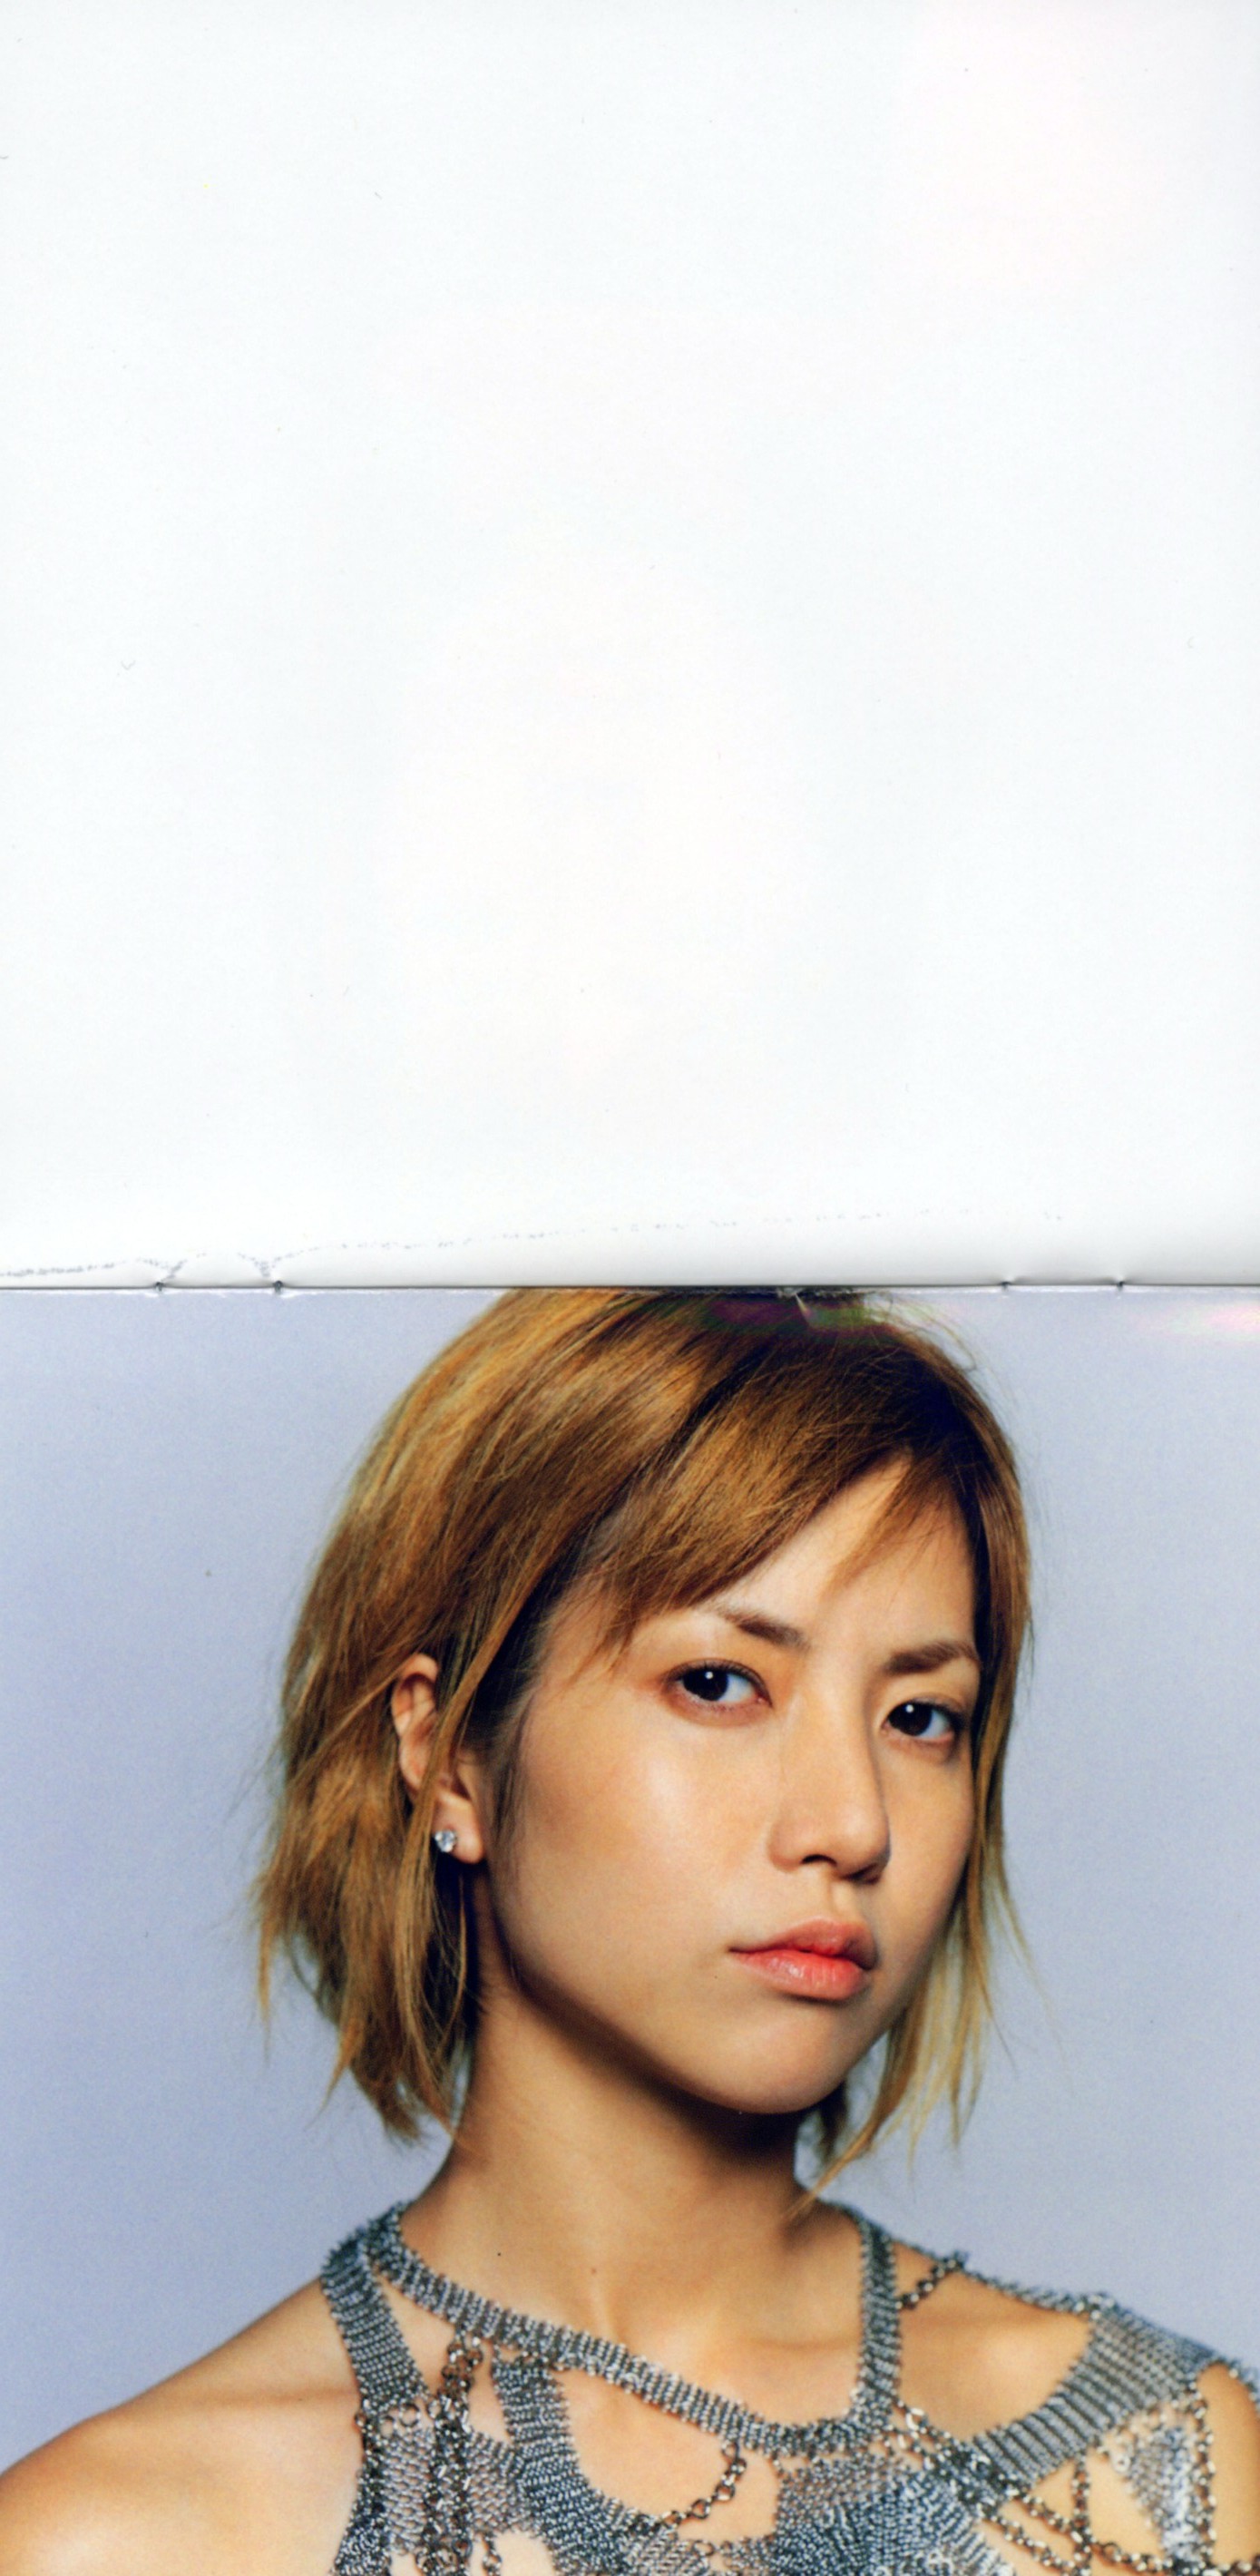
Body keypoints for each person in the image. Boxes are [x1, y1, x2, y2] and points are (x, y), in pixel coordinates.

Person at [2, 1285, 1257, 2576]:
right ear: (449, 1755)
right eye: (719, 1684)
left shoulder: (1152, 2462)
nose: (852, 1824)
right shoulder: (121, 2539)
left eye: (919, 1717)